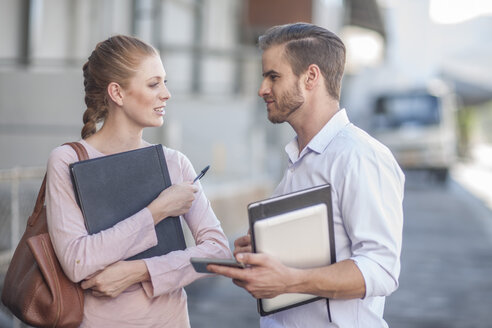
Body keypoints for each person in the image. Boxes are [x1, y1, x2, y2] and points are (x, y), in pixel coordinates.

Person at [208, 23, 405, 327]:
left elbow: (381, 269)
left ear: (311, 77)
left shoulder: (360, 157)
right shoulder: (298, 160)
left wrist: (289, 280)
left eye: (273, 76)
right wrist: (262, 253)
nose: (262, 89)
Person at [45, 35, 231, 327]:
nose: (167, 93)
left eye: (165, 82)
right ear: (117, 93)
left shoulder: (174, 162)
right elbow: (77, 261)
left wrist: (140, 271)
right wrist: (157, 211)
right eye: (154, 84)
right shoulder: (68, 161)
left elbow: (218, 252)